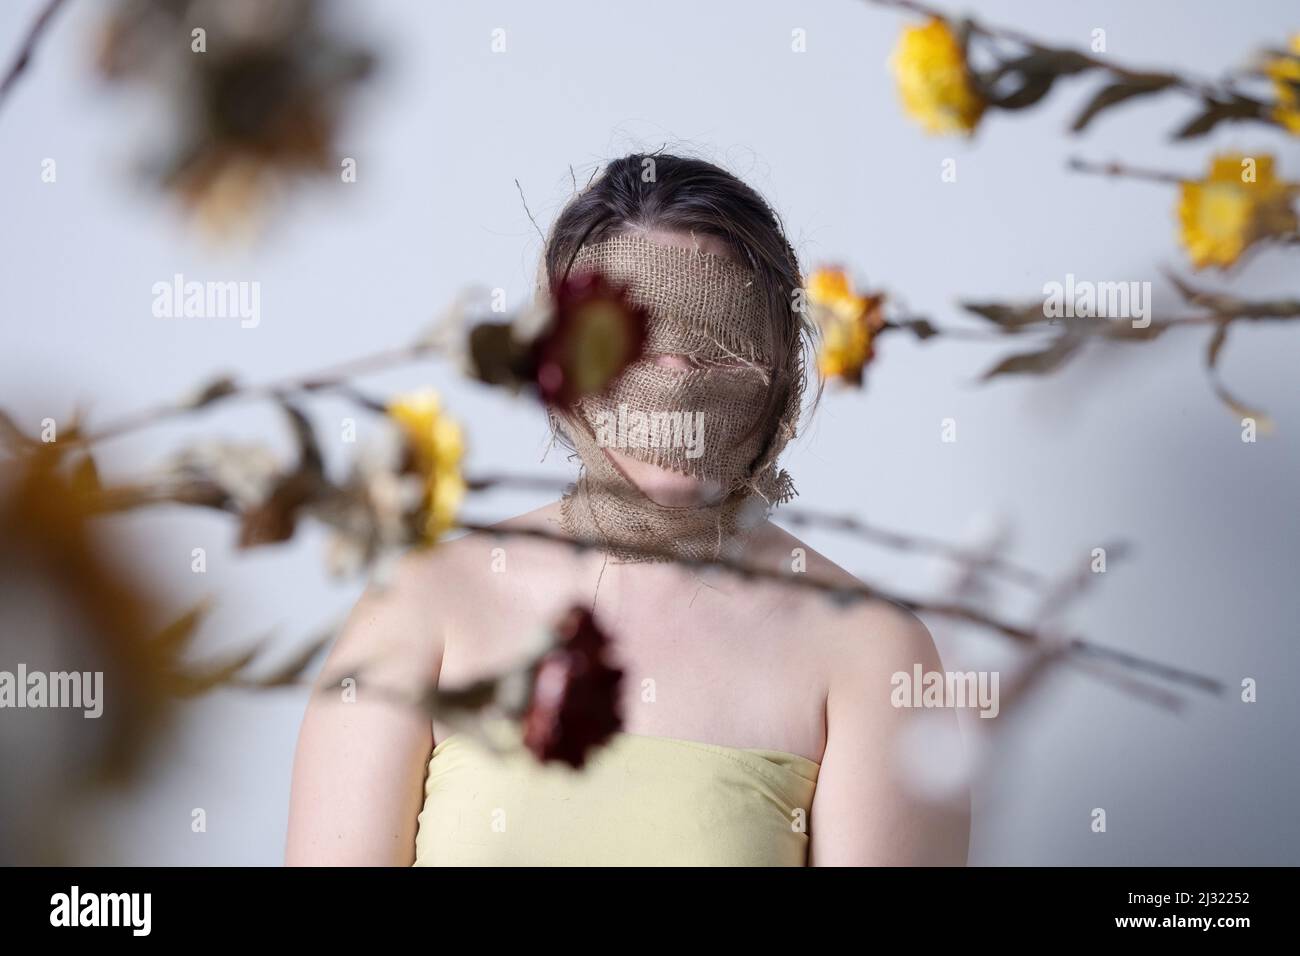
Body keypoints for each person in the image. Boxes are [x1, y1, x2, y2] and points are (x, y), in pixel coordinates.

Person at [285, 153, 970, 866]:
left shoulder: (870, 651)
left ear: (783, 369)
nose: (675, 386)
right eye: (632, 342)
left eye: (719, 346)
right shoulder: (422, 604)